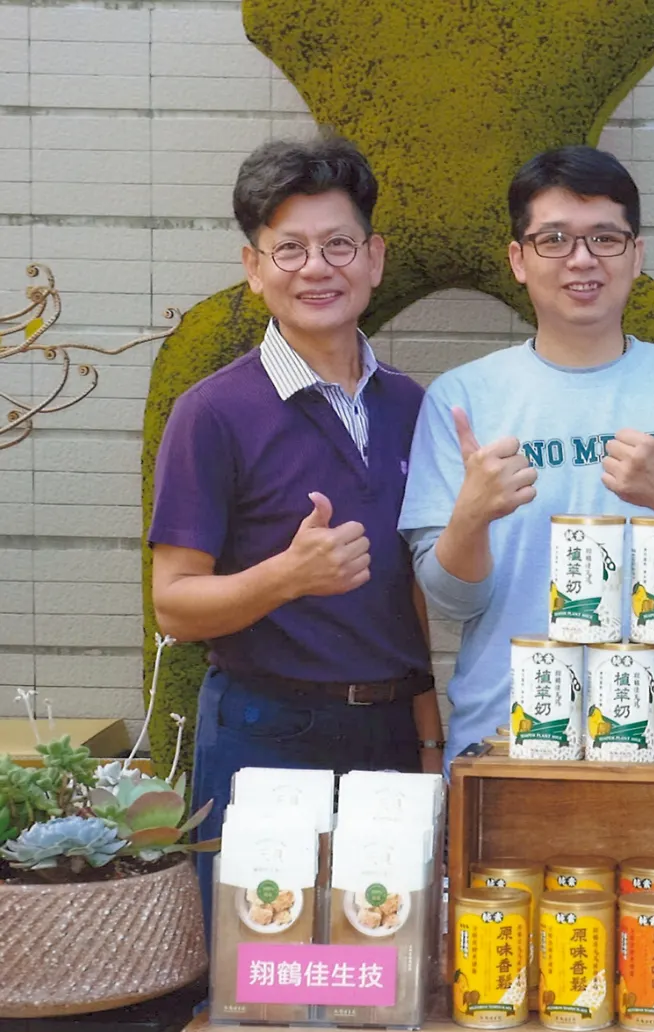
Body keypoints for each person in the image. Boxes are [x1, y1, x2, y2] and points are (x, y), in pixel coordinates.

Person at [398, 145, 654, 764]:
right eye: (554, 239)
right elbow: (450, 602)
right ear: (518, 260)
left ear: (636, 255)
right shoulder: (462, 397)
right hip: (506, 736)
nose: (582, 259)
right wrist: (472, 517)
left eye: (605, 238)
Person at [149, 136, 443, 923]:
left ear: (374, 259)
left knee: (384, 959)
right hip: (266, 735)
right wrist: (288, 576)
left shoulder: (411, 406)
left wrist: (429, 739)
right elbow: (174, 604)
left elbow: (409, 590)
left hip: (389, 737)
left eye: (339, 244)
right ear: (255, 268)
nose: (317, 268)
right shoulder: (212, 413)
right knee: (263, 964)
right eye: (290, 249)